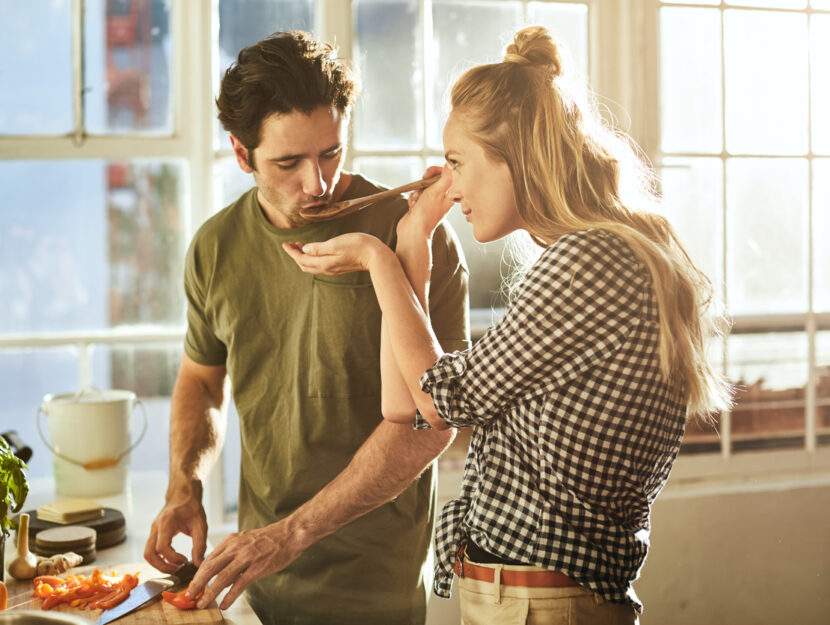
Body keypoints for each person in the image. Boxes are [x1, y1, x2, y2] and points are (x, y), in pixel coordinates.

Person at [282, 25, 733, 625]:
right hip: (528, 598)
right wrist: (412, 241)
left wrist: (375, 257)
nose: (452, 186)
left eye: (458, 163)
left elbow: (444, 399)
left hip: (538, 604)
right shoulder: (603, 253)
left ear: (515, 157)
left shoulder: (589, 262)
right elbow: (406, 404)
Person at [143, 30, 470, 625]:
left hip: (376, 588)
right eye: (288, 162)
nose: (315, 183)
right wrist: (183, 483)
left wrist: (290, 535)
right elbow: (201, 379)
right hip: (256, 585)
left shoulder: (414, 235)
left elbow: (433, 424)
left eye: (330, 153)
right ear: (242, 156)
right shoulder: (214, 247)